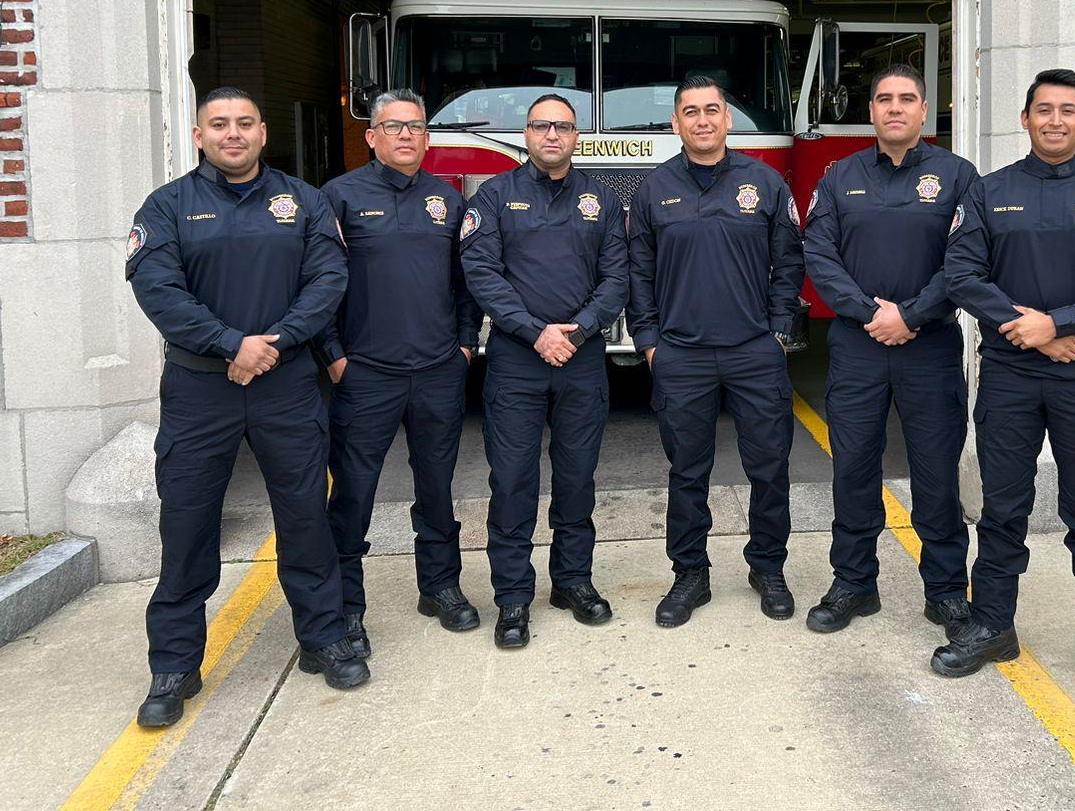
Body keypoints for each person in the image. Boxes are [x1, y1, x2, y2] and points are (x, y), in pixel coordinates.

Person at [125, 87, 367, 729]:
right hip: (201, 389)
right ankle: (173, 665)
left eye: (245, 124)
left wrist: (275, 343)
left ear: (264, 132)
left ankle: (323, 638)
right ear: (200, 135)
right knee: (187, 524)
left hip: (285, 384)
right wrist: (232, 343)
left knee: (306, 516)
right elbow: (157, 289)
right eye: (219, 124)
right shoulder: (167, 206)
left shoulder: (303, 201)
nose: (233, 134)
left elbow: (328, 280)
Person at [935, 69, 1075, 705]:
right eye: (1043, 110)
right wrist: (1028, 330)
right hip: (1009, 375)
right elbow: (961, 273)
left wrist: (1060, 324)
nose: (1055, 120)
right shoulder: (989, 191)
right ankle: (991, 625)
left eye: (1068, 110)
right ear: (1024, 119)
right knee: (1003, 510)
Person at [801, 63, 977, 635]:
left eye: (906, 99)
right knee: (852, 468)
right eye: (884, 99)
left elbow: (966, 261)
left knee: (935, 473)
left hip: (930, 347)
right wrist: (872, 313)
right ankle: (853, 583)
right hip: (857, 346)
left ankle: (947, 590)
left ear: (924, 110)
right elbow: (819, 256)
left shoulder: (958, 175)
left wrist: (912, 315)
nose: (895, 108)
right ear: (871, 111)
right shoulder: (839, 175)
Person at [627, 75, 804, 627]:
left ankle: (768, 567)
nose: (702, 120)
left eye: (712, 110)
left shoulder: (766, 182)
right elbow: (639, 273)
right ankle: (690, 575)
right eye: (690, 112)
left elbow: (789, 262)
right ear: (675, 124)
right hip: (681, 354)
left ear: (728, 119)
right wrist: (650, 341)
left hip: (755, 350)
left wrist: (778, 331)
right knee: (687, 470)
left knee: (770, 466)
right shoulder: (654, 189)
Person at [460, 95, 628, 649]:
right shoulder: (494, 197)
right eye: (541, 125)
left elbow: (616, 277)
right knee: (512, 481)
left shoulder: (600, 199)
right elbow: (481, 272)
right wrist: (535, 331)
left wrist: (575, 332)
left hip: (581, 361)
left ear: (576, 135)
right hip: (516, 360)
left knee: (577, 478)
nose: (552, 133)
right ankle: (512, 598)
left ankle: (573, 581)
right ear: (526, 133)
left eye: (562, 126)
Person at [319, 90, 482, 660]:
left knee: (437, 489)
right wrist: (335, 354)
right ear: (372, 136)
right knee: (354, 495)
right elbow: (317, 284)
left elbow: (467, 282)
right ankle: (346, 609)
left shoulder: (448, 199)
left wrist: (465, 344)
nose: (406, 136)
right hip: (366, 374)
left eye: (416, 126)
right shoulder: (337, 198)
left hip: (438, 370)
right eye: (393, 127)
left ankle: (440, 587)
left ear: (427, 136)